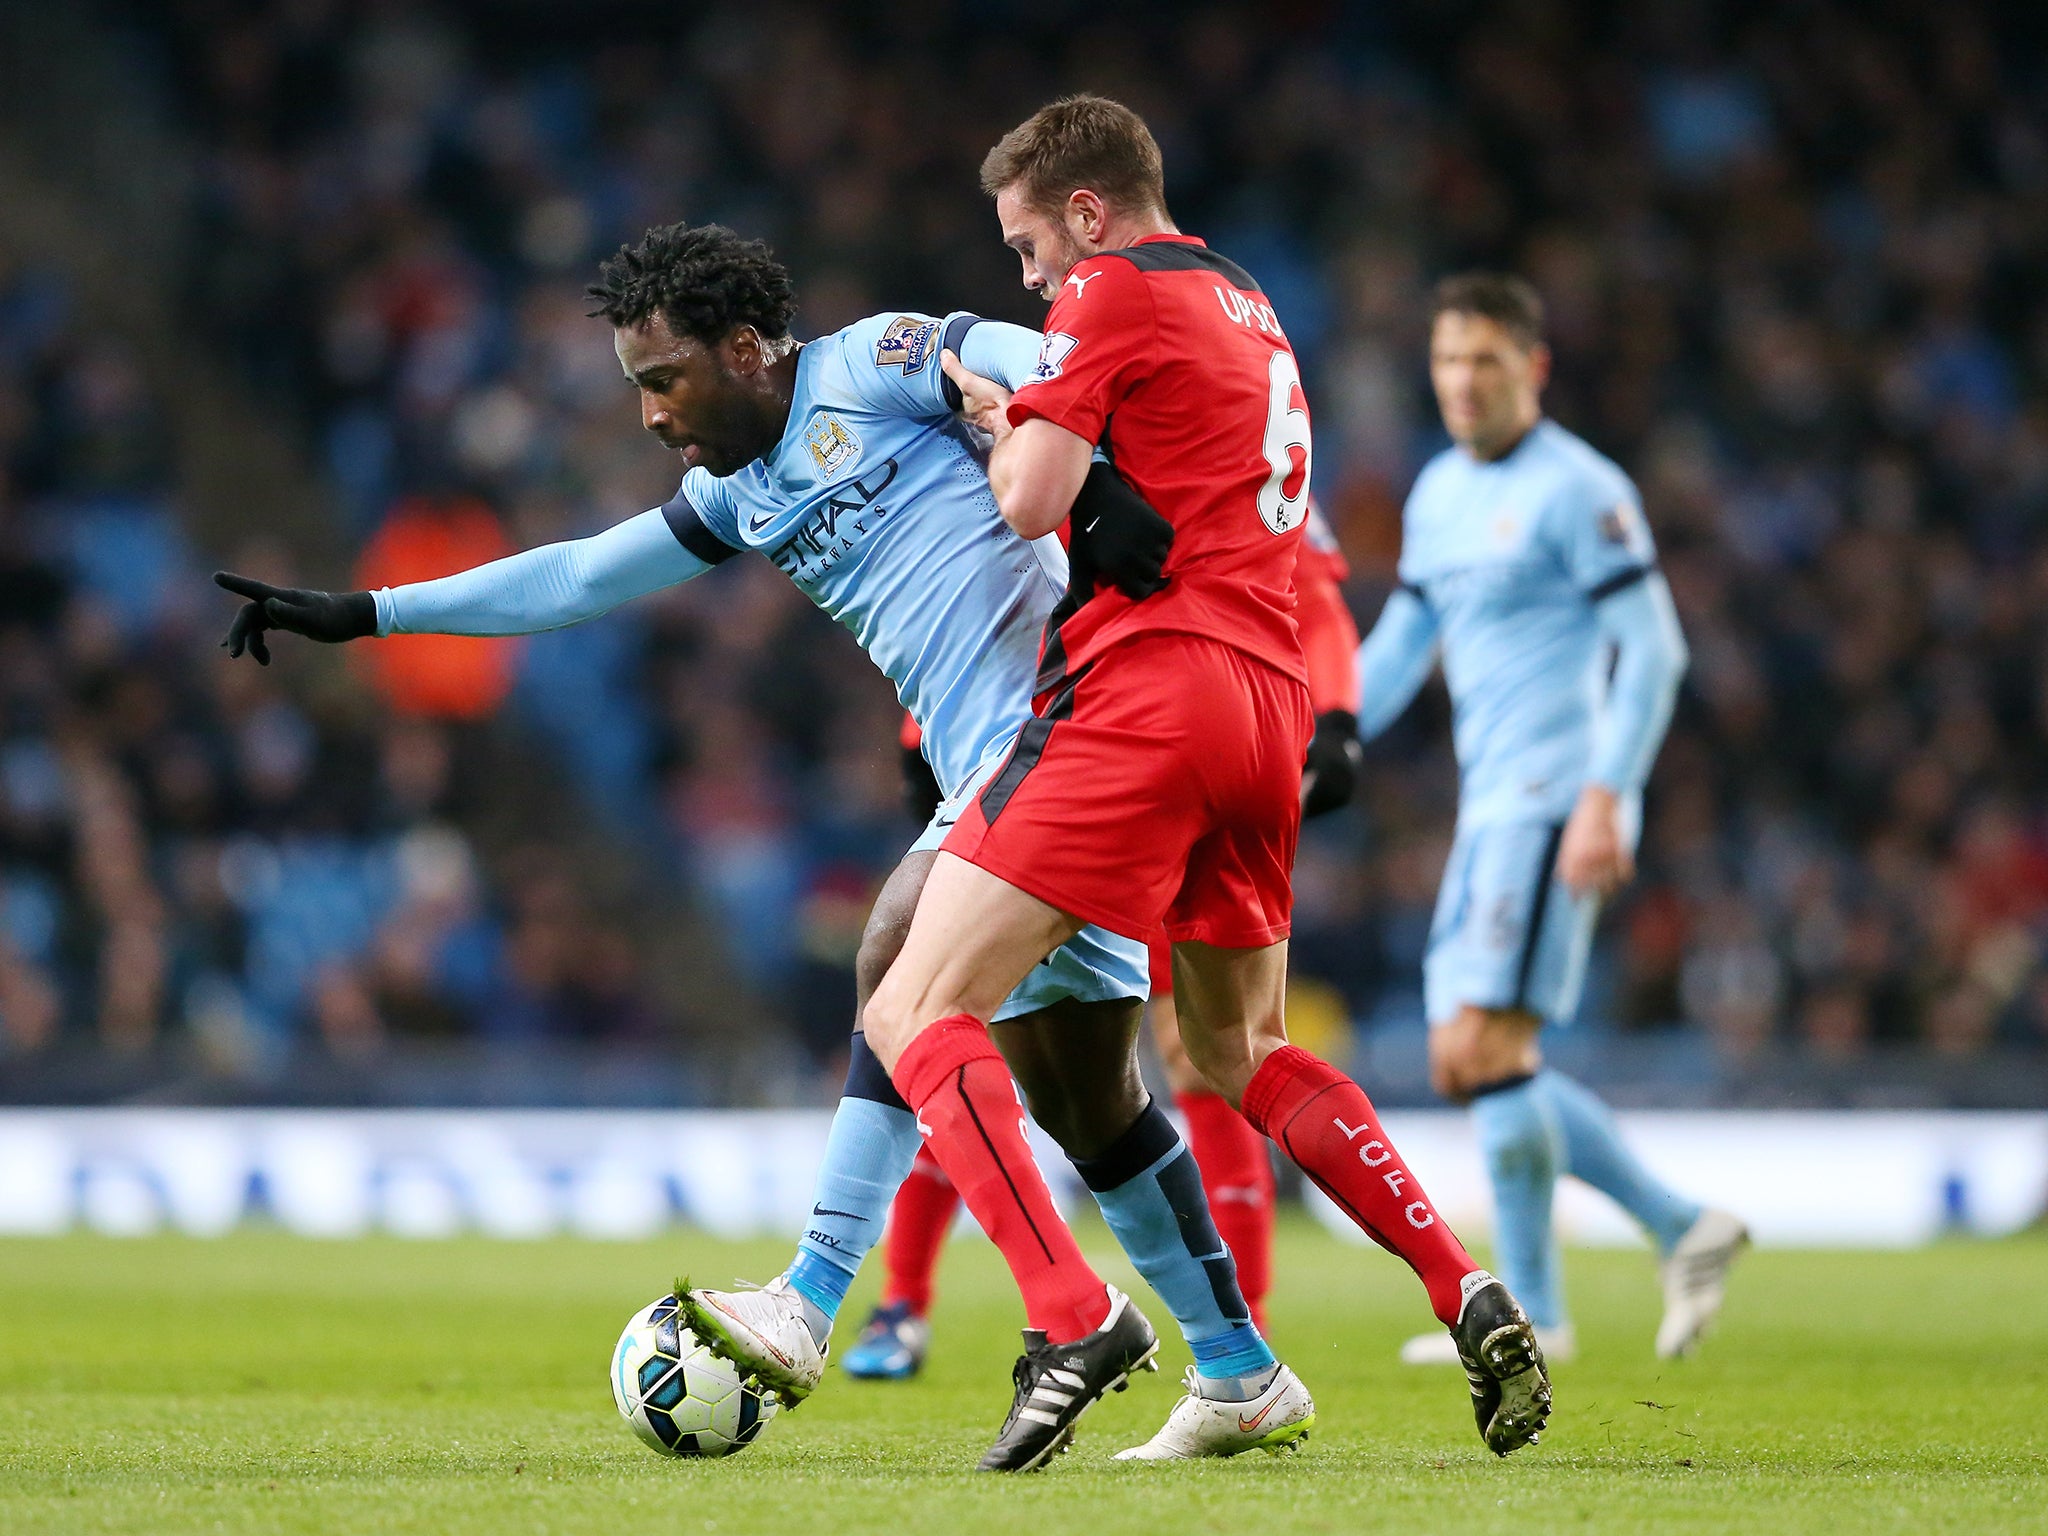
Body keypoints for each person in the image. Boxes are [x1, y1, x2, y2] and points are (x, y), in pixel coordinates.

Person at [215, 219, 1298, 1464]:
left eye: (662, 379)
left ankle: (829, 1298)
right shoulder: (734, 497)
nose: (650, 415)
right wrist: (368, 613)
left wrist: (1085, 463)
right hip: (1005, 762)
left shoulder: (875, 363)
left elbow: (1029, 350)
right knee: (1088, 1102)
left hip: (1070, 724)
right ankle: (1238, 1368)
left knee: (893, 958)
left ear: (742, 350)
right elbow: (576, 577)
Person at [801, 95, 1550, 1472]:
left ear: (1086, 213)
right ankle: (1458, 1288)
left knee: (908, 997)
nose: (1032, 278)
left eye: (1029, 244)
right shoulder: (1250, 304)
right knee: (1235, 1050)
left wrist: (1005, 406)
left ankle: (1068, 1317)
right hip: (1267, 706)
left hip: (1147, 693)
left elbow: (1029, 498)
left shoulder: (1110, 289)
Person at [842, 504, 1362, 1379]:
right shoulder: (1058, 453)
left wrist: (1339, 719)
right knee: (956, 1018)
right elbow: (987, 588)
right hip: (1045, 763)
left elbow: (1312, 593)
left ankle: (1240, 1318)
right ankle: (903, 1300)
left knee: (1185, 1049)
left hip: (1155, 763)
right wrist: (918, 737)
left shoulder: (1199, 460)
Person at [1352, 272, 1747, 1367]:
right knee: (1463, 1058)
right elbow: (1401, 647)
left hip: (1556, 796)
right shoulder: (1437, 492)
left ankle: (1537, 1311)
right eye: (1447, 360)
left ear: (1531, 368)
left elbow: (1655, 650)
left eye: (1483, 360)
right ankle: (1675, 1227)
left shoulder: (1580, 488)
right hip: (1490, 805)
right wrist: (1314, 741)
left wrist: (1607, 794)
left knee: (1486, 1046)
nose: (1461, 382)